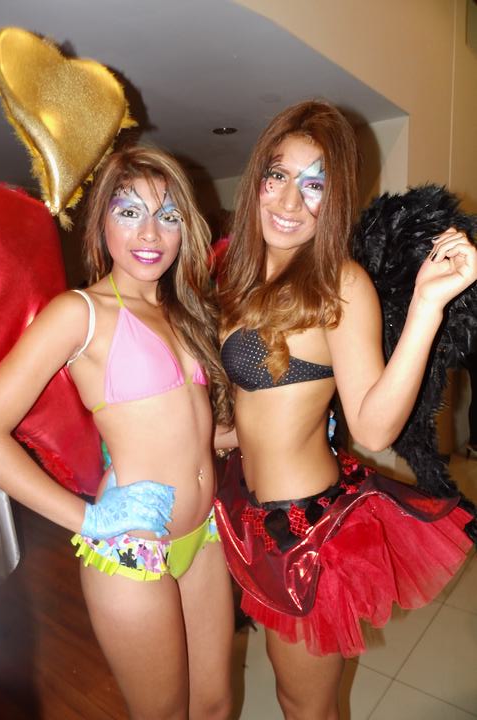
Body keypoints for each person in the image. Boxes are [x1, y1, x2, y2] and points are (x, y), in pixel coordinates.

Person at [214, 101, 476, 720]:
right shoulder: (239, 279)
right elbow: (254, 406)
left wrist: (426, 307)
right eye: (279, 176)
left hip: (304, 533)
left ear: (333, 201)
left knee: (304, 705)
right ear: (257, 180)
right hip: (248, 513)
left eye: (315, 186)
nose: (290, 201)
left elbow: (373, 427)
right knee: (296, 693)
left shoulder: (340, 282)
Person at [0, 146, 234, 720]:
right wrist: (89, 519)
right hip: (131, 547)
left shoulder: (187, 311)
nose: (150, 233)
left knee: (215, 704)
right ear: (101, 221)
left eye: (168, 214)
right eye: (129, 212)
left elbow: (190, 431)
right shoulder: (79, 313)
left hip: (202, 535)